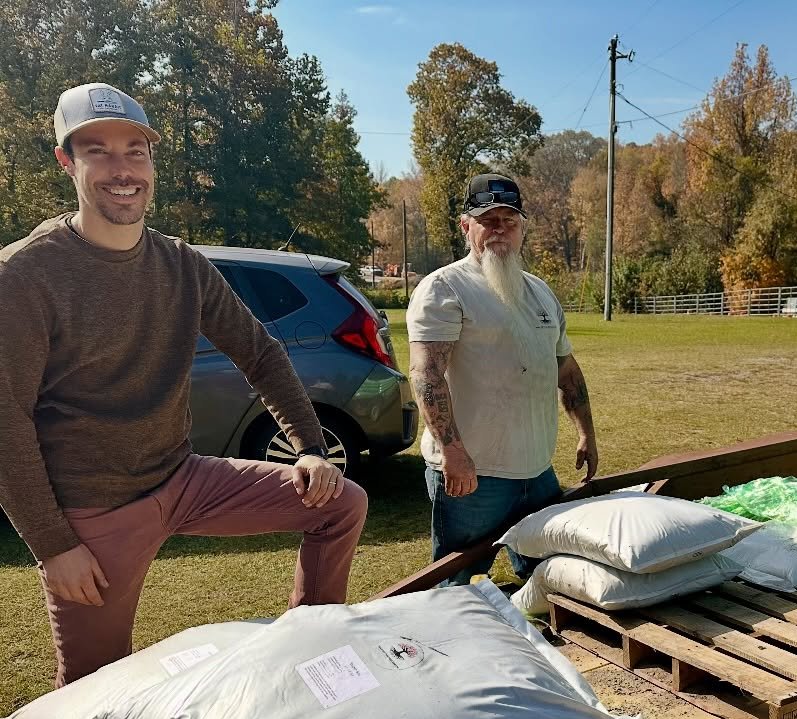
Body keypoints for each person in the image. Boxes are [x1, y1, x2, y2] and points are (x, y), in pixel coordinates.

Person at [0, 82, 368, 687]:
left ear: (152, 162)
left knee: (340, 505)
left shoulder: (181, 264)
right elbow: (7, 416)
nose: (122, 170)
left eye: (135, 151)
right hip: (97, 511)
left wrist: (309, 447)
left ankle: (312, 658)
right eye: (99, 151)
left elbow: (259, 352)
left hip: (185, 477)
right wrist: (52, 544)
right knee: (94, 692)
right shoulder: (26, 274)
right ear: (67, 161)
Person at [407, 173, 598, 586]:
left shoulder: (540, 293)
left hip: (537, 471)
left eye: (509, 221)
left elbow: (565, 369)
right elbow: (426, 375)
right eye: (487, 219)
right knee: (454, 586)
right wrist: (452, 452)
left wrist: (586, 434)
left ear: (522, 228)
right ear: (466, 226)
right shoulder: (444, 288)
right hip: (474, 475)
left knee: (545, 579)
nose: (499, 229)